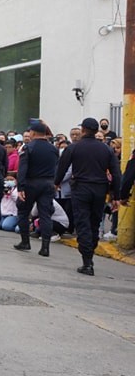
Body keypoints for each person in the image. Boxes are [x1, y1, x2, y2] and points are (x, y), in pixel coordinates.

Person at [54, 117, 121, 275]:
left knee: (82, 222)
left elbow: (62, 167)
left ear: (83, 130)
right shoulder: (106, 149)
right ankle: (90, 253)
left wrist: (56, 183)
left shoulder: (74, 148)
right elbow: (116, 173)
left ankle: (87, 260)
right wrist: (116, 196)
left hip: (81, 188)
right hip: (99, 189)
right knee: (94, 222)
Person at [15, 120, 59, 257]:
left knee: (23, 212)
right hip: (48, 183)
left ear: (32, 133)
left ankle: (25, 241)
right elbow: (56, 167)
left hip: (31, 183)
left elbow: (22, 169)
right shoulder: (54, 149)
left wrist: (20, 187)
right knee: (45, 214)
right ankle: (45, 247)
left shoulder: (27, 147)